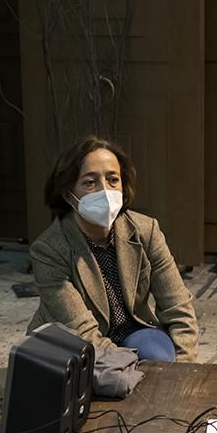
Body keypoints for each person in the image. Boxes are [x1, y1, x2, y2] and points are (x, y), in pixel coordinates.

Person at [27, 136, 198, 362]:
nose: (104, 191)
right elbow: (83, 333)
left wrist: (182, 371)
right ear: (69, 193)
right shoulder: (49, 249)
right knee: (103, 378)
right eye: (90, 182)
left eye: (113, 180)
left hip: (133, 330)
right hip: (73, 343)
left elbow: (178, 308)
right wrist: (127, 370)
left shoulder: (146, 230)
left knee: (159, 358)